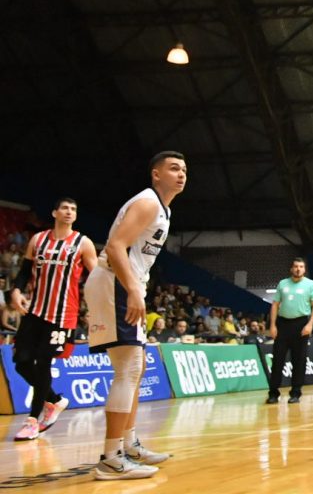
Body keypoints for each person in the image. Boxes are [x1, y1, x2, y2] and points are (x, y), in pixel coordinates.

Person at [84, 152, 186, 479]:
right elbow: (115, 246)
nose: (181, 174)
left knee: (136, 368)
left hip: (124, 283)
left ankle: (128, 444)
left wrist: (134, 287)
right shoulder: (147, 203)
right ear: (156, 174)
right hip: (115, 281)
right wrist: (132, 289)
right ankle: (111, 458)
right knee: (128, 368)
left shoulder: (164, 209)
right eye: (173, 168)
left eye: (184, 170)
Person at [7, 197, 98, 442]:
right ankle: (55, 400)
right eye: (65, 208)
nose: (69, 212)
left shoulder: (83, 243)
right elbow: (24, 272)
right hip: (34, 311)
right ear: (55, 213)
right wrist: (16, 291)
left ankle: (32, 421)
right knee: (21, 362)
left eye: (73, 209)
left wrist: (96, 307)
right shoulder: (38, 240)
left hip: (63, 316)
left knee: (43, 363)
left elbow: (96, 277)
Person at [266, 258, 313, 404]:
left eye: (301, 266)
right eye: (295, 266)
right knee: (278, 360)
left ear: (304, 269)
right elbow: (275, 305)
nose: (298, 269)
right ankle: (273, 393)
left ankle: (295, 393)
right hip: (282, 325)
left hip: (301, 325)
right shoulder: (282, 283)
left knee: (299, 361)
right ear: (291, 269)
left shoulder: (311, 284)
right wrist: (273, 325)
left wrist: (310, 325)